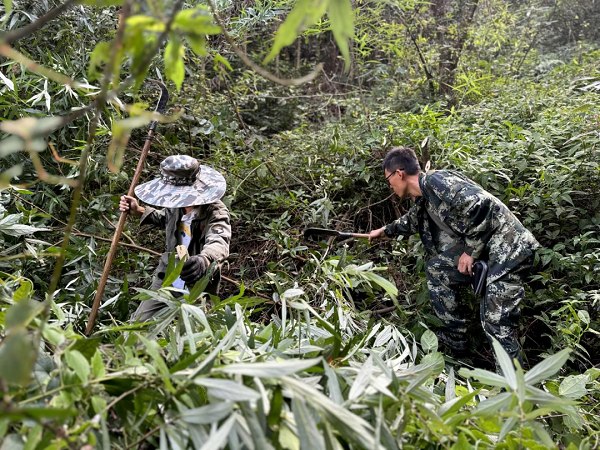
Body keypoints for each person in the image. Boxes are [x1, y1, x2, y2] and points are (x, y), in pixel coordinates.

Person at [369, 147, 539, 365]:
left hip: (510, 249)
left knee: (496, 324)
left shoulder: (438, 182)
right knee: (437, 269)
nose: (390, 186)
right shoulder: (425, 198)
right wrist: (384, 231)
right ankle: (456, 339)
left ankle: (514, 383)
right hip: (490, 250)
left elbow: (482, 204)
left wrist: (470, 252)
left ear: (399, 174)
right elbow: (411, 220)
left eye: (388, 179)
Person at [119, 155, 231, 322]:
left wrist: (205, 259)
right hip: (168, 276)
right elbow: (167, 219)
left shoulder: (215, 212)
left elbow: (219, 240)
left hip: (197, 280)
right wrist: (140, 211)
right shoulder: (175, 204)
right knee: (139, 324)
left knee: (197, 330)